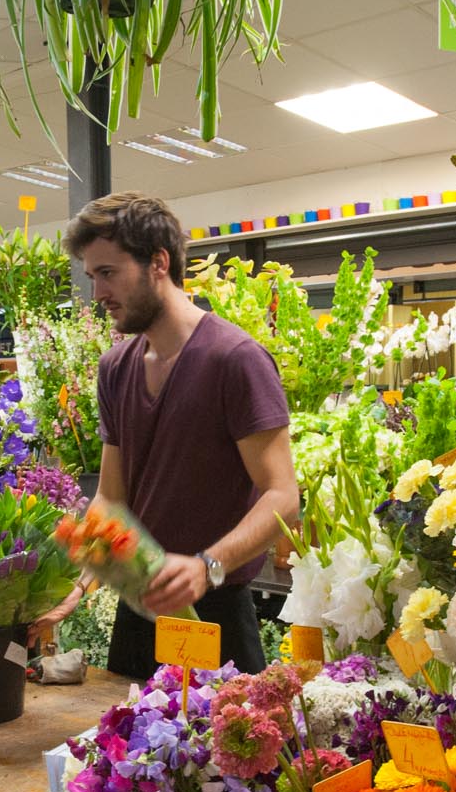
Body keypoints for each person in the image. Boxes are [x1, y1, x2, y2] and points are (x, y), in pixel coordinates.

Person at [31, 192, 300, 679]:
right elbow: (111, 498)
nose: (98, 294)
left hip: (216, 616)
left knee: (223, 749)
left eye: (108, 273)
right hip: (136, 619)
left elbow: (283, 495)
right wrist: (76, 584)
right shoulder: (116, 368)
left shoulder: (235, 360)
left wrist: (206, 566)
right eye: (92, 277)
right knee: (127, 749)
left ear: (158, 262)